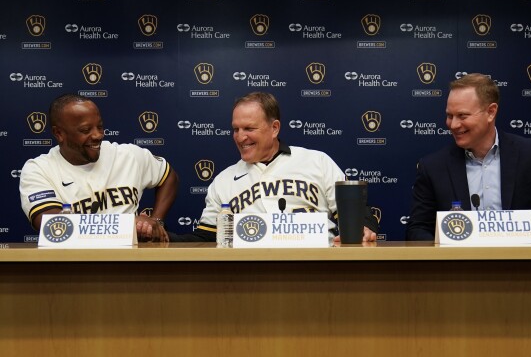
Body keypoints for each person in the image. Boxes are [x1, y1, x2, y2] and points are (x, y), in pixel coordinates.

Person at [169, 92, 377, 242]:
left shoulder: (316, 161)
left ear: (274, 128)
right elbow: (206, 237)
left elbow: (355, 213)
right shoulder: (223, 181)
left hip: (318, 265)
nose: (240, 137)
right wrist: (162, 236)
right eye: (235, 129)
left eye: (249, 128)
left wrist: (363, 228)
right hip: (251, 274)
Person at [407, 73, 531, 241]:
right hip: (459, 269)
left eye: (462, 115)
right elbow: (417, 229)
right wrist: (442, 251)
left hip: (520, 267)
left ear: (491, 112)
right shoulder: (433, 167)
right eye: (449, 115)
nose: (453, 124)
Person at [19, 93, 178, 242]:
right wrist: (128, 226)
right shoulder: (39, 169)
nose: (97, 135)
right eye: (85, 130)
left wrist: (156, 220)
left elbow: (168, 176)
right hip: (75, 264)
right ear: (59, 133)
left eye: (100, 127)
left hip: (130, 261)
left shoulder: (128, 155)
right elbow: (52, 225)